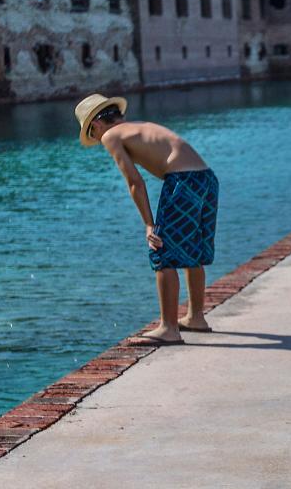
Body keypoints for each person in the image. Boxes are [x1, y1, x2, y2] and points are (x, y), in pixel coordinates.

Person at [74, 94, 218, 346]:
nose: (97, 141)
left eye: (92, 134)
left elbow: (134, 182)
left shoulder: (110, 136)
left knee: (161, 249)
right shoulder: (139, 127)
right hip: (206, 178)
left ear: (95, 126)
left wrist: (149, 224)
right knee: (192, 251)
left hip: (182, 181)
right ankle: (196, 317)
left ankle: (169, 328)